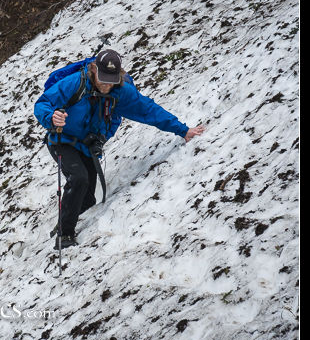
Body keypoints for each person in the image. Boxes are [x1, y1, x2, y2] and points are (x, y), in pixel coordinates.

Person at [34, 49, 205, 249]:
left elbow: (149, 110)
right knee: (78, 178)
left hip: (87, 146)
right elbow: (43, 103)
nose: (106, 85)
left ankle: (64, 219)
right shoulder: (75, 83)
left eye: (111, 80)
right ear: (94, 70)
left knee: (88, 198)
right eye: (103, 79)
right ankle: (65, 235)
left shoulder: (121, 92)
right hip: (61, 139)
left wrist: (183, 130)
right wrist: (51, 117)